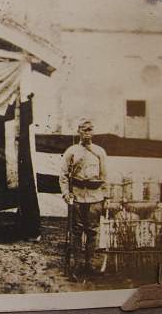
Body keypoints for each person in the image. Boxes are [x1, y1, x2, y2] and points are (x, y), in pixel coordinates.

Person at [60, 119, 108, 277]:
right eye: (84, 129)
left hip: (95, 197)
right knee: (76, 231)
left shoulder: (100, 152)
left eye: (90, 129)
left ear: (93, 132)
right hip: (78, 196)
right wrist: (66, 193)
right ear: (78, 131)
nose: (87, 133)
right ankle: (77, 265)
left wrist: (105, 196)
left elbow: (104, 176)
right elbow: (64, 175)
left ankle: (89, 264)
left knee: (93, 231)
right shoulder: (71, 151)